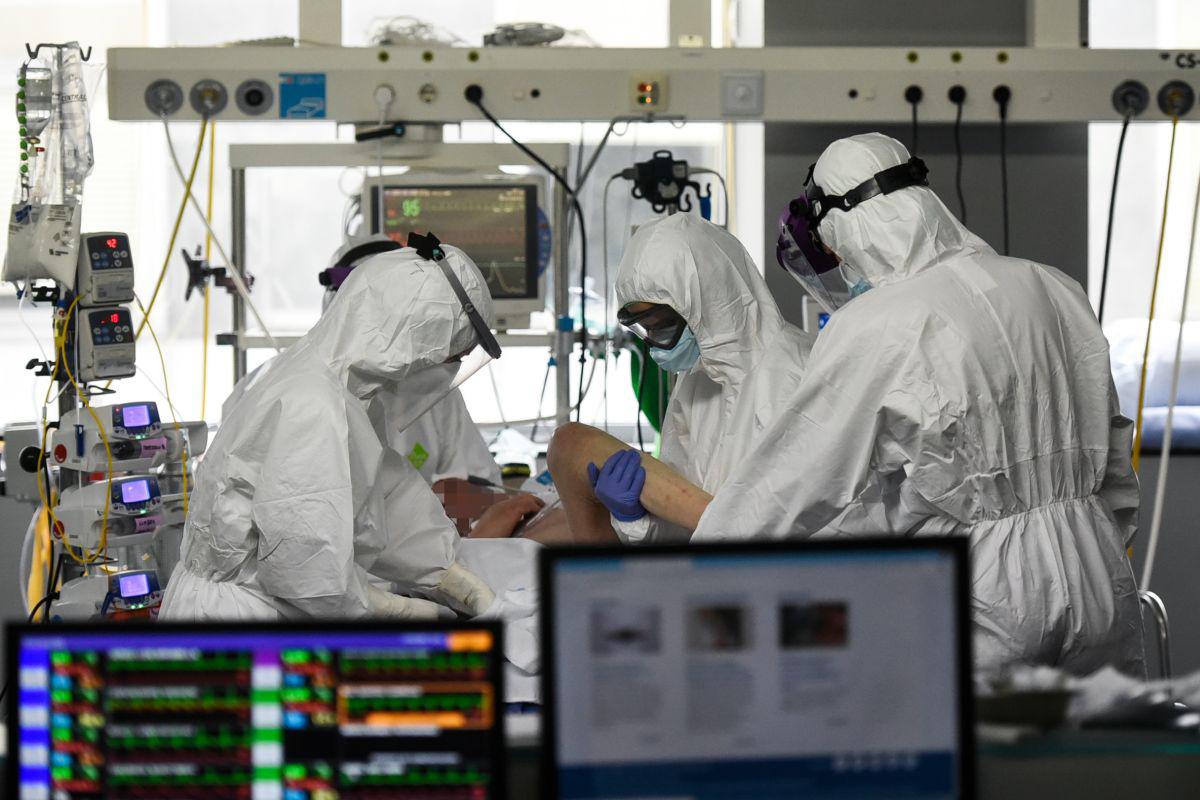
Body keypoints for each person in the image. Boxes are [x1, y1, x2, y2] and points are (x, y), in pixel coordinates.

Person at [671, 132, 1142, 677]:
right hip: (1098, 567)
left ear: (848, 229)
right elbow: (1113, 456)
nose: (843, 264)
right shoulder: (1057, 288)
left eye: (837, 248)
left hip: (988, 590)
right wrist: (1097, 541)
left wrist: (690, 571)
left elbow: (790, 483)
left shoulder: (879, 322)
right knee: (1108, 752)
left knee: (976, 758)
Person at [160, 241, 507, 620]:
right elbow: (309, 578)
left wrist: (448, 573)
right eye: (448, 358)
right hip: (239, 620)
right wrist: (406, 610)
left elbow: (382, 496)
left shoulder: (344, 391)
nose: (444, 371)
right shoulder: (314, 404)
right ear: (414, 343)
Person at [220, 235, 546, 541]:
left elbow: (395, 507)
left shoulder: (388, 399)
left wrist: (443, 561)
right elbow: (305, 561)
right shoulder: (306, 399)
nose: (441, 365)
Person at [547, 213, 814, 543]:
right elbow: (679, 522)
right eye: (642, 328)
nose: (654, 343)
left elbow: (824, 524)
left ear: (708, 303)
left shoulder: (799, 377)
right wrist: (635, 518)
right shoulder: (699, 380)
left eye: (660, 324)